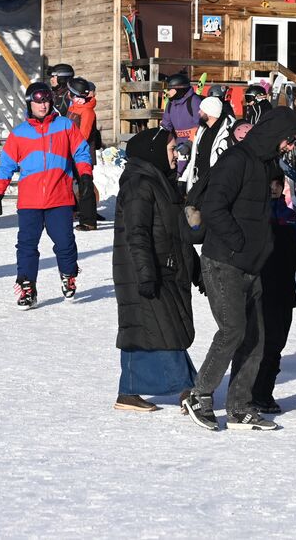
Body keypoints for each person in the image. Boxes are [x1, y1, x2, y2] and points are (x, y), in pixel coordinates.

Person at [183, 105, 296, 432]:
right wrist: (239, 242)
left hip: (252, 263)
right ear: (275, 133)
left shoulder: (265, 164)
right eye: (289, 140)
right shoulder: (236, 161)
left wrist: (257, 249)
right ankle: (200, 395)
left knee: (257, 337)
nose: (290, 146)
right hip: (224, 260)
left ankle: (239, 406)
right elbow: (213, 206)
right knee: (233, 330)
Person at [113, 127, 201, 413]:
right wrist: (146, 273)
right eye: (171, 150)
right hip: (147, 271)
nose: (176, 156)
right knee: (164, 330)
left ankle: (128, 392)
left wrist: (195, 267)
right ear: (154, 152)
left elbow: (177, 233)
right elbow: (136, 234)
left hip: (164, 268)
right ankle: (188, 388)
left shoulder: (160, 181)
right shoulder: (139, 185)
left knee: (144, 330)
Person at [0, 81, 94, 310]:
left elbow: (81, 151)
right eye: (38, 101)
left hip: (60, 197)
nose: (43, 105)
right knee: (27, 245)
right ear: (30, 103)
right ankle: (27, 287)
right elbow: (6, 165)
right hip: (30, 201)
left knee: (65, 241)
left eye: (47, 100)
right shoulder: (19, 134)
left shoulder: (65, 126)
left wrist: (85, 175)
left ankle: (68, 274)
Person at [251, 175, 296, 414]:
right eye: (269, 183)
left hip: (284, 291)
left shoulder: (290, 218)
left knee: (277, 344)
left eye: (278, 184)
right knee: (258, 343)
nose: (273, 188)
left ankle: (265, 392)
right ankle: (253, 393)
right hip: (258, 290)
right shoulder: (253, 215)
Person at [181, 95, 237, 195]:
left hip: (216, 186)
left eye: (202, 110)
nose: (199, 112)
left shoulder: (227, 133)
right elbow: (193, 158)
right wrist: (184, 179)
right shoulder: (202, 130)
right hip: (199, 183)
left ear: (210, 113)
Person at [66, 78, 101, 232]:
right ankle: (74, 210)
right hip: (69, 153)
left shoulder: (87, 111)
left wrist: (70, 145)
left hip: (81, 155)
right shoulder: (74, 108)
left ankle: (89, 220)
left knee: (85, 186)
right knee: (67, 183)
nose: (68, 95)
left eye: (71, 93)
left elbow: (83, 135)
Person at [161, 73, 202, 176]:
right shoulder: (170, 104)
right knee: (178, 176)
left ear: (179, 89)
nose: (167, 92)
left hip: (194, 145)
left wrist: (189, 144)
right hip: (178, 147)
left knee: (190, 176)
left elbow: (200, 126)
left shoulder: (194, 101)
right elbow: (166, 126)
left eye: (169, 89)